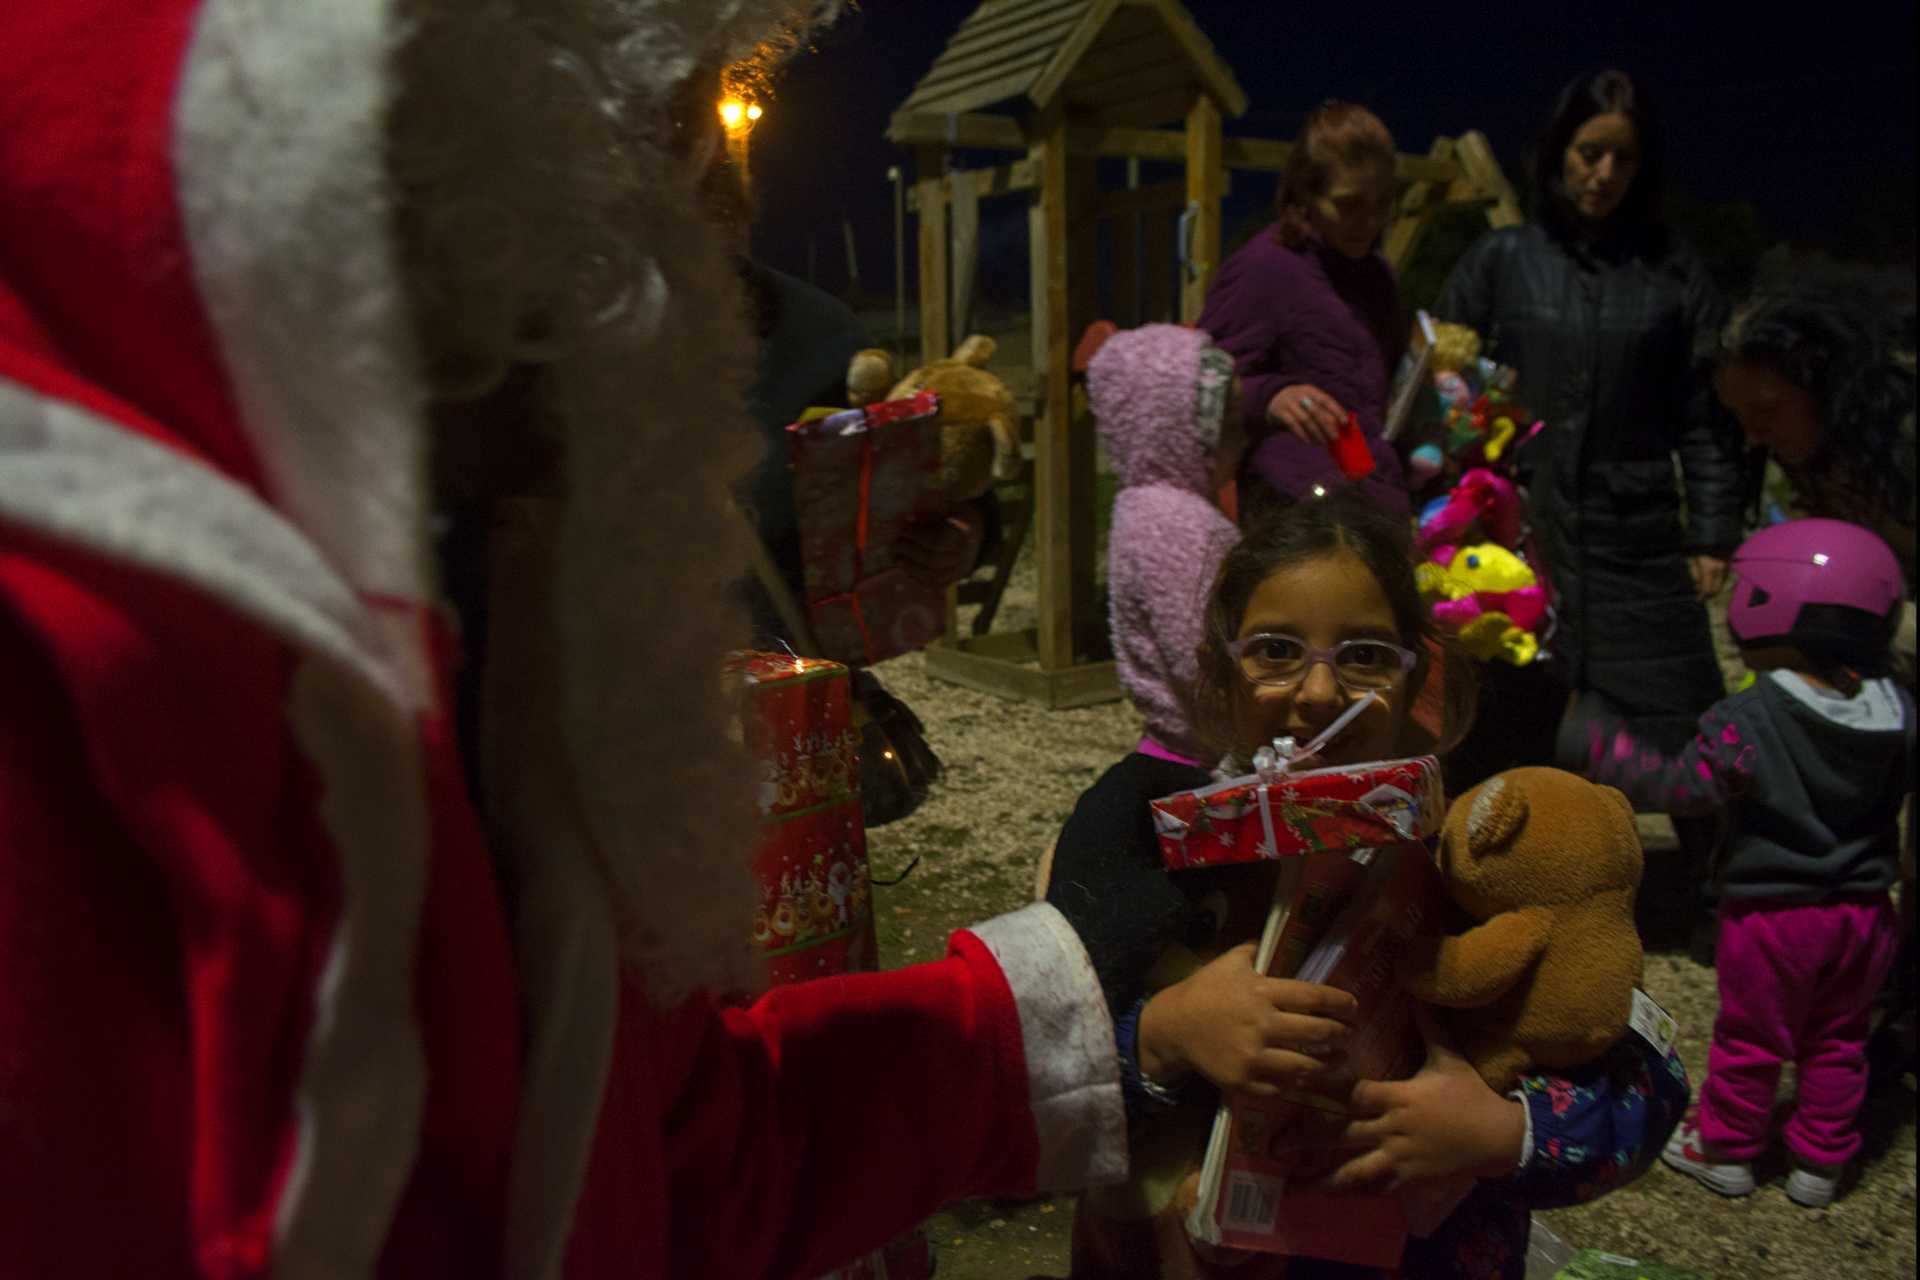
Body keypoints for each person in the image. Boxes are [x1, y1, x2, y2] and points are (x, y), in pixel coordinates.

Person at [0, 2, 1127, 1275]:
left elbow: (633, 1153)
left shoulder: (495, 607)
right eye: (676, 151)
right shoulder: (80, 723)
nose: (698, 319)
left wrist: (1050, 1034)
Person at [1045, 491, 1688, 1279]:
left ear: (1416, 674)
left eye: (1365, 655)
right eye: (1276, 650)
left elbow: (1644, 1079)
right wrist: (1165, 1033)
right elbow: (1026, 1092)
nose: (1320, 694)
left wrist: (1501, 1133)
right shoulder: (1143, 849)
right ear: (1222, 666)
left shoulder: (1483, 852)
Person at [1561, 519, 1911, 1208]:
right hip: (1867, 916)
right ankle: (1819, 1165)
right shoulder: (1898, 709)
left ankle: (1725, 1151)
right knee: (1839, 1037)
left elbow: (1685, 788)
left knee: (1752, 1039)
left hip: (1775, 918)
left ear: (1772, 604)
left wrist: (1599, 746)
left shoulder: (1748, 717)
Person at [1434, 69, 1745, 766]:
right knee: (1504, 737)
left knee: (1685, 737)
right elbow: (1440, 392)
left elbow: (1706, 414)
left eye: (1622, 158)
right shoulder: (1500, 262)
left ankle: (1707, 874)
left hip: (1636, 540)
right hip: (1521, 537)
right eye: (1587, 152)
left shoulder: (1671, 273)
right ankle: (1513, 874)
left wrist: (1714, 534)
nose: (1603, 174)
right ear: (1556, 153)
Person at [1198, 102, 1411, 518]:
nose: (1368, 221)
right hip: (1293, 508)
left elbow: (1385, 377)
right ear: (1305, 196)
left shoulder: (1377, 276)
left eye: (1381, 204)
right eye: (1349, 205)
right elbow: (1201, 378)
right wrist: (1270, 395)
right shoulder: (1267, 267)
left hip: (1372, 494)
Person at [1711, 283, 1917, 676]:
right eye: (1740, 418)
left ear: (1822, 384)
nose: (1754, 436)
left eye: (1767, 410)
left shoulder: (1902, 440)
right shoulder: (1813, 452)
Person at [1090, 323, 1247, 767]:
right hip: (1198, 756)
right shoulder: (1174, 523)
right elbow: (1196, 654)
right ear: (1177, 429)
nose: (1242, 441)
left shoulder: (1145, 505)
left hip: (1180, 741)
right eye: (1229, 427)